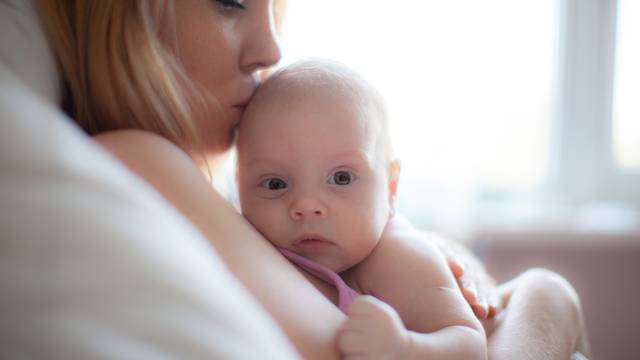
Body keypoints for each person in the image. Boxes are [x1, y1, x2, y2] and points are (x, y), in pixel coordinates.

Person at [35, 0, 590, 359]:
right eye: (230, 2)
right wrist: (544, 303)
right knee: (545, 289)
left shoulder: (184, 190)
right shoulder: (138, 161)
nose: (270, 51)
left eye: (342, 177)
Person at [235, 59, 486, 359]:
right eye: (275, 184)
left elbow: (471, 345)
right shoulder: (240, 238)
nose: (306, 206)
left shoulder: (397, 257)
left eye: (341, 178)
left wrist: (404, 349)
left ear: (390, 186)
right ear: (238, 187)